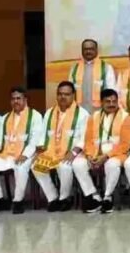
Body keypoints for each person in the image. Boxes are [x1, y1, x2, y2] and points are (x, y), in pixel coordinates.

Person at [32, 81, 90, 212]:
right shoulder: (50, 112)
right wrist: (39, 150)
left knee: (64, 166)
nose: (63, 97)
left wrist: (73, 152)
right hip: (51, 152)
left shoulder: (82, 114)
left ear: (73, 95)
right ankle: (52, 198)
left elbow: (84, 138)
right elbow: (43, 134)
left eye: (66, 94)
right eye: (60, 94)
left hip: (73, 152)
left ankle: (65, 198)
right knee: (36, 166)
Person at [0, 87, 44, 214]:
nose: (15, 101)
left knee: (20, 166)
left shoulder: (35, 116)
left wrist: (25, 155)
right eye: (13, 99)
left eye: (18, 98)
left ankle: (18, 201)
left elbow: (35, 140)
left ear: (25, 100)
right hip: (6, 155)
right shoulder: (5, 118)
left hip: (27, 154)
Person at [81, 89, 130, 213]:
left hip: (117, 154)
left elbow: (125, 144)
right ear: (101, 102)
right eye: (108, 101)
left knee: (112, 164)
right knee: (78, 164)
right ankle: (94, 196)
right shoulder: (93, 117)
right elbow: (88, 140)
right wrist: (89, 155)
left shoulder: (126, 117)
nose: (111, 104)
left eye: (114, 101)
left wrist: (106, 156)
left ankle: (107, 197)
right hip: (95, 153)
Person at [68, 39, 116, 113]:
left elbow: (111, 92)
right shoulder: (74, 69)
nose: (88, 51)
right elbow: (69, 91)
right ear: (82, 51)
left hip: (99, 112)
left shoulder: (106, 68)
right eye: (85, 49)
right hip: (79, 112)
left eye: (91, 49)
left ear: (96, 50)